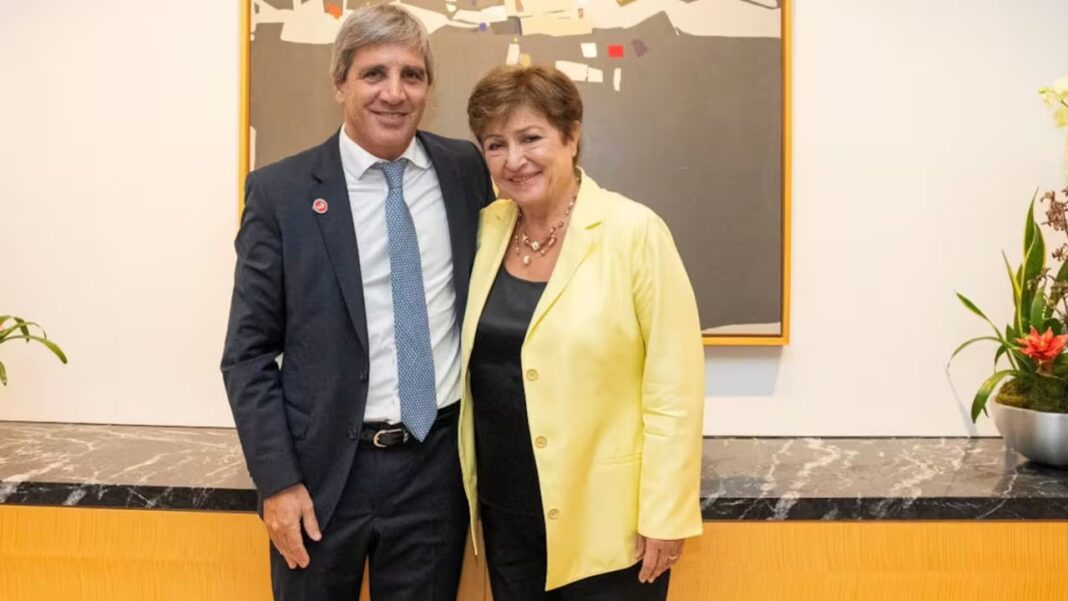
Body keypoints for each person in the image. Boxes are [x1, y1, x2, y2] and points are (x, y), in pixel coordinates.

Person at [221, 6, 494, 600]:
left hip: (435, 469)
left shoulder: (463, 170)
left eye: (412, 75)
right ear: (339, 82)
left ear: (428, 87)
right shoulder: (281, 194)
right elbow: (246, 356)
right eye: (374, 74)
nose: (394, 94)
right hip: (321, 479)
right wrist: (278, 482)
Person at [459, 64, 706, 600]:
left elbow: (675, 388)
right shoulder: (485, 230)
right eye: (495, 144)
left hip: (609, 523)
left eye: (531, 138)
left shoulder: (634, 232)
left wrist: (665, 512)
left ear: (571, 137)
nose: (514, 159)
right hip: (507, 518)